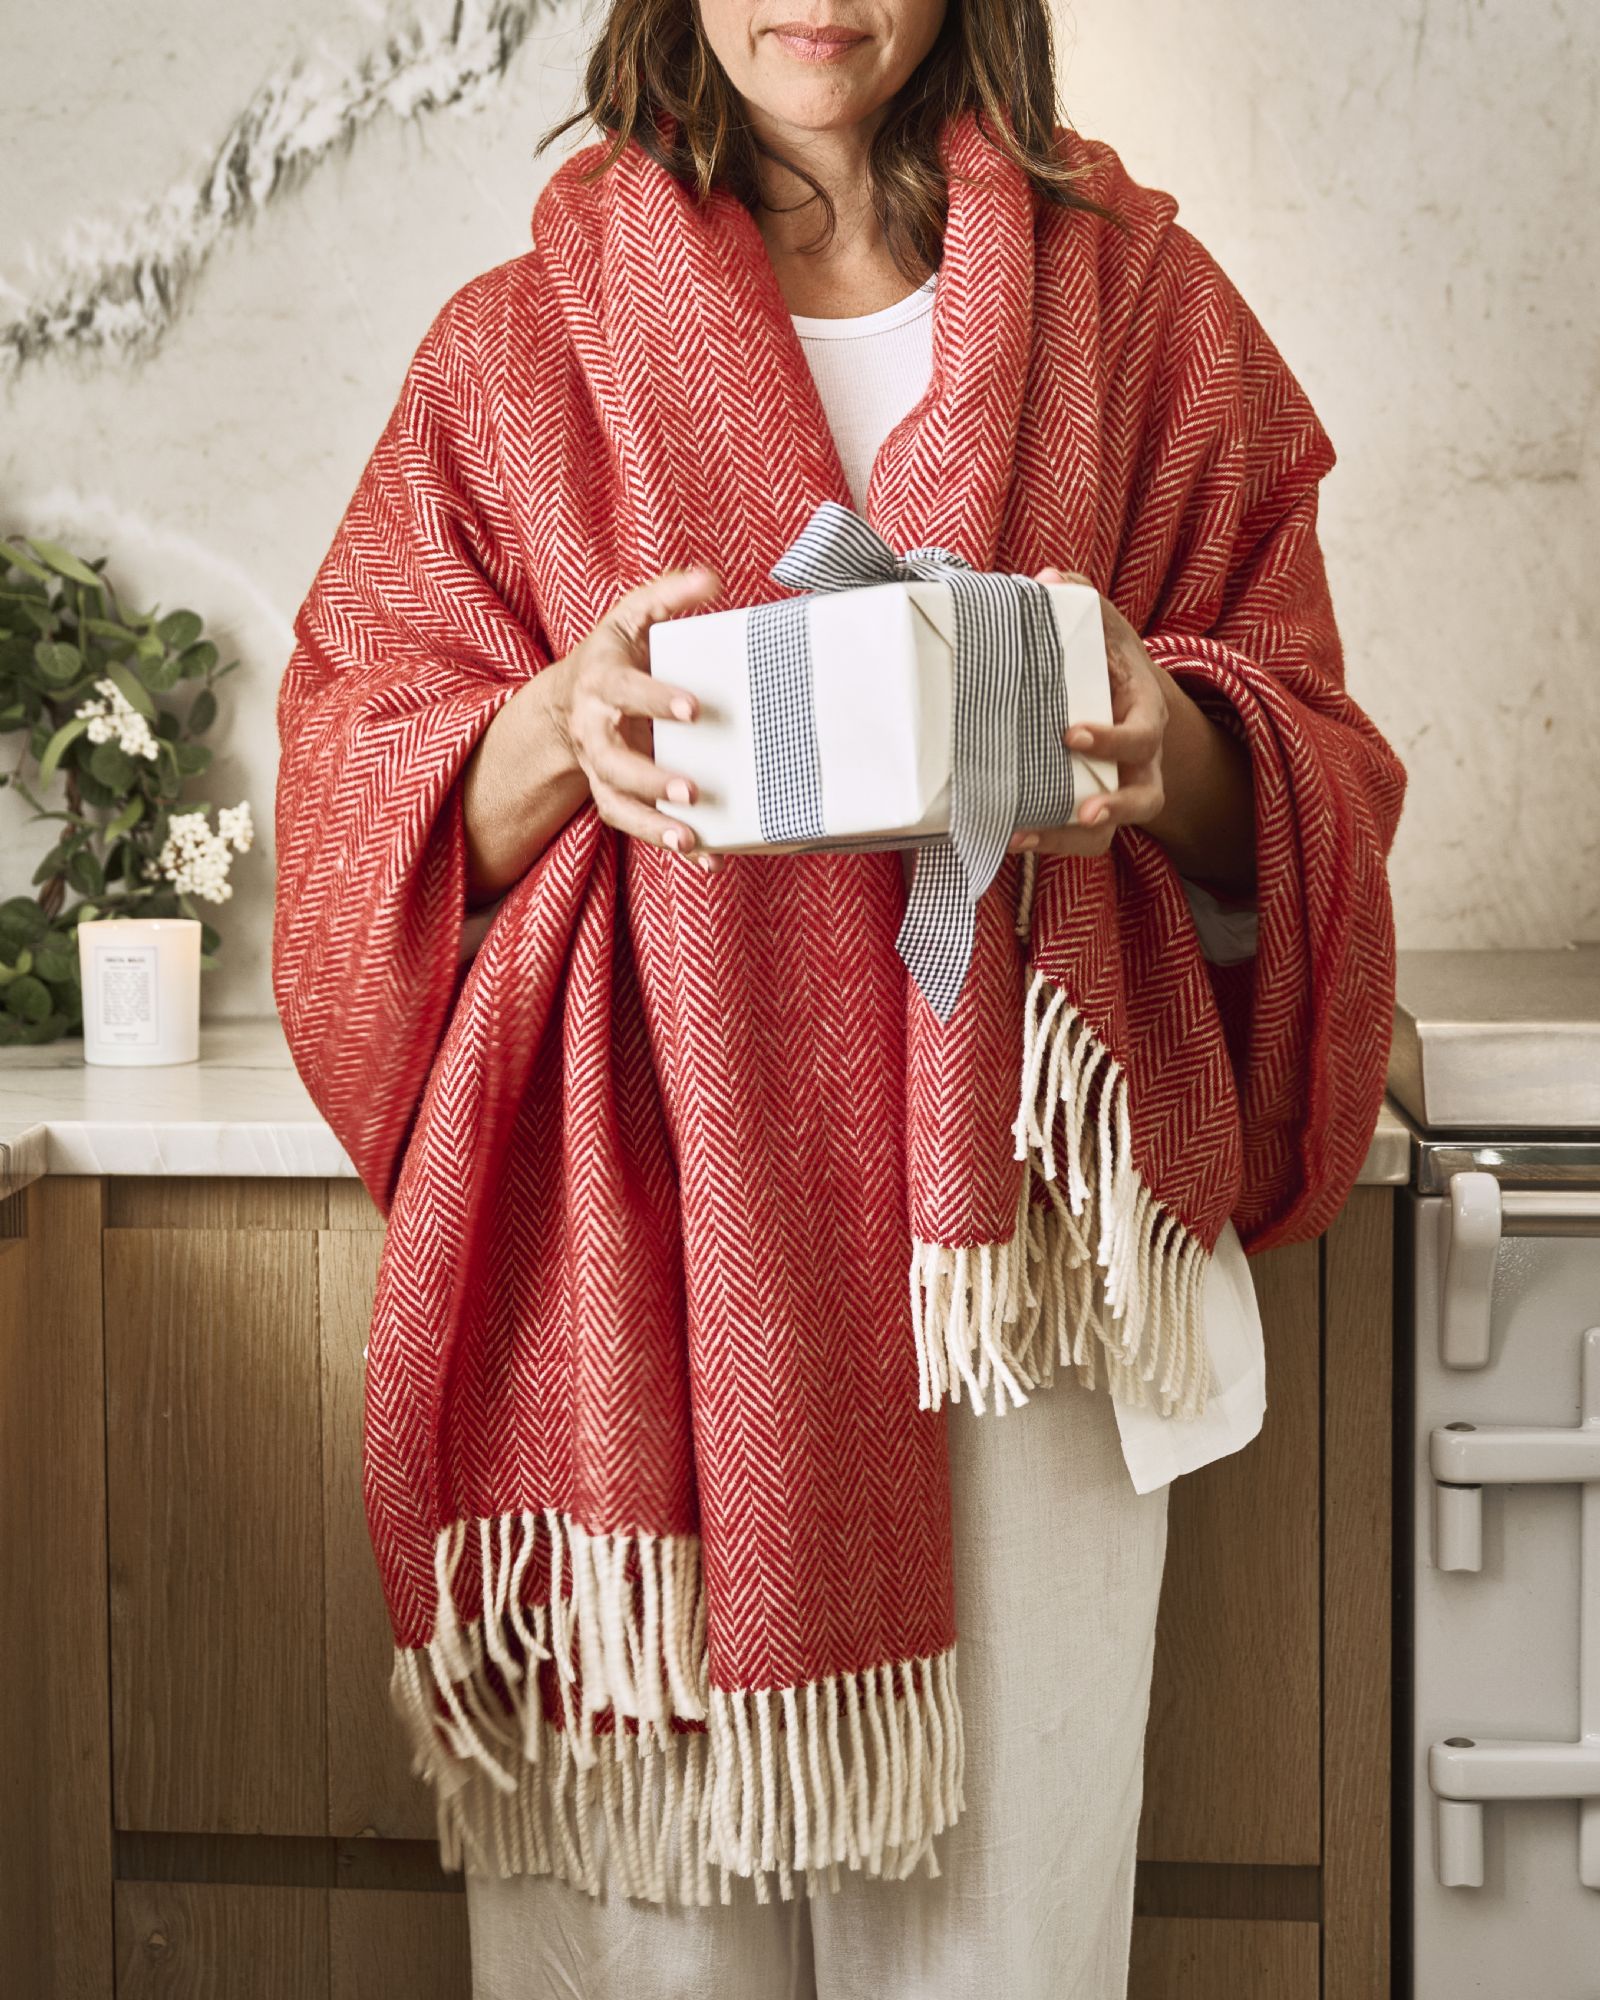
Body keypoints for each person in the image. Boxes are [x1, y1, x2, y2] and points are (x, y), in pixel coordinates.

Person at [271, 0, 1406, 1993]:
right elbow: (357, 765)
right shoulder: (512, 348)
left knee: (1001, 1951)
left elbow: (1300, 741)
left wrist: (1170, 736)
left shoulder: (1136, 313)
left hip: (1010, 1295)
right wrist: (553, 735)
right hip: (644, 1262)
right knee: (653, 1955)